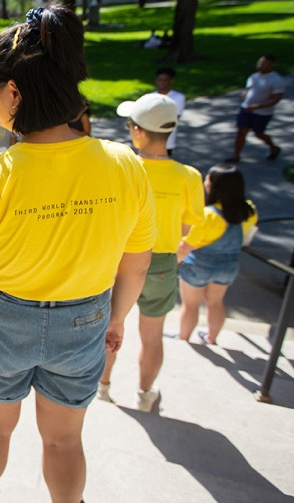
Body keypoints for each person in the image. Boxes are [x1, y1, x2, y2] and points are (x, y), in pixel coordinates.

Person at [0, 4, 155, 503]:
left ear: (15, 92)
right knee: (65, 439)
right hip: (86, 318)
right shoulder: (125, 164)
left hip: (4, 319)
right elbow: (137, 263)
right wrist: (116, 320)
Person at [99, 93, 204, 412]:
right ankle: (145, 395)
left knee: (110, 326)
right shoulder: (189, 176)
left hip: (119, 259)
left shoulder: (120, 166)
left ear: (138, 131)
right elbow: (190, 228)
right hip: (161, 262)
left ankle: (102, 388)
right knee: (153, 334)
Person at [178, 163, 258, 345]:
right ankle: (211, 338)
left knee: (190, 305)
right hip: (228, 265)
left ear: (214, 185)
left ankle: (183, 339)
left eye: (208, 178)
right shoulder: (249, 210)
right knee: (216, 303)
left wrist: (173, 262)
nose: (205, 181)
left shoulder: (209, 215)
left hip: (198, 265)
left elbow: (186, 246)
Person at [229, 55, 284, 162]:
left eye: (264, 63)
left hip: (262, 112)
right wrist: (245, 99)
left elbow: (276, 99)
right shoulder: (254, 76)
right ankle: (236, 156)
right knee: (241, 132)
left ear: (271, 64)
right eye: (259, 62)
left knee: (258, 133)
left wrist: (257, 106)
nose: (260, 65)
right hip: (246, 109)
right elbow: (247, 89)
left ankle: (274, 148)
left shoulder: (276, 80)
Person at [151, 68, 186, 156]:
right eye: (160, 80)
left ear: (171, 81)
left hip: (167, 141)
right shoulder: (150, 97)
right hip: (150, 140)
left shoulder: (178, 97)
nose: (162, 83)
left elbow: (174, 119)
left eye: (165, 80)